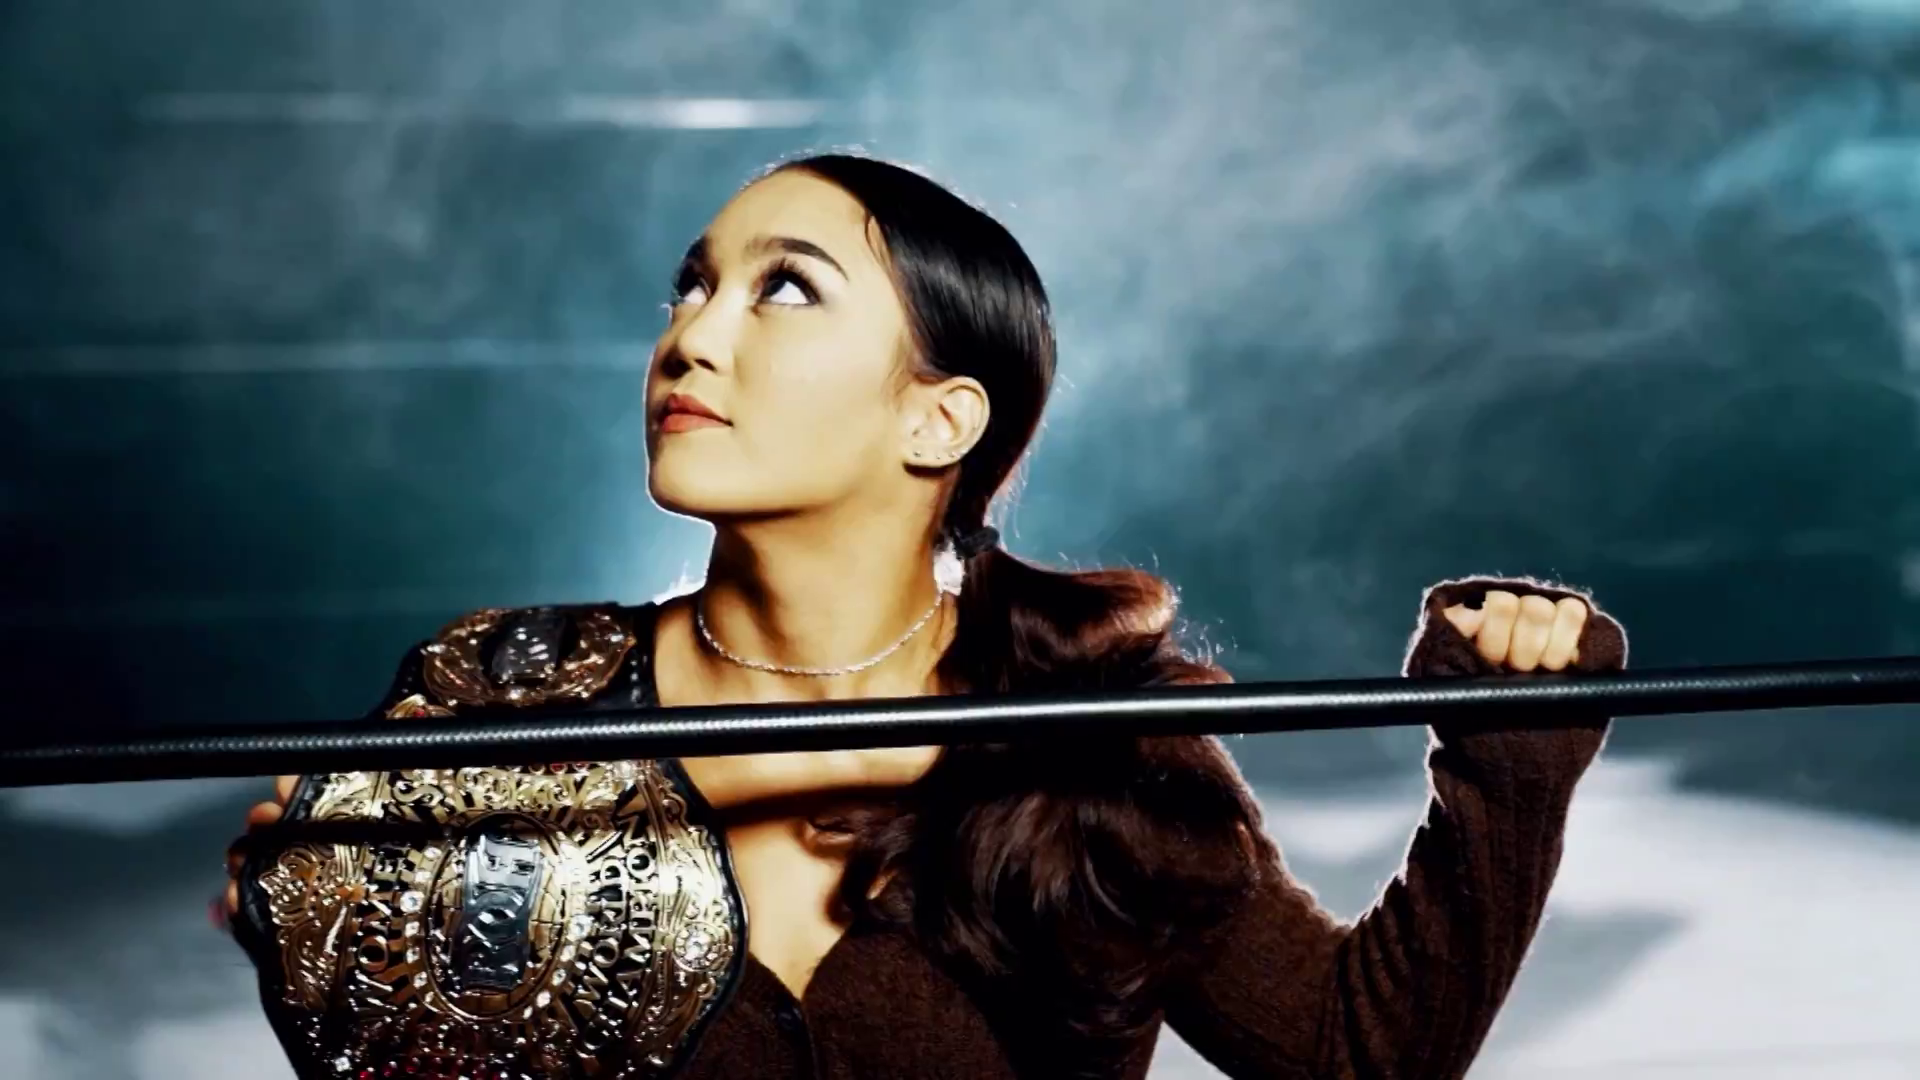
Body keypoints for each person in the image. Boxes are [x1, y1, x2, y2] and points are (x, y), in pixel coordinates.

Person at [223, 153, 1627, 1080]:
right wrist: (336, 956)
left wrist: (1510, 752)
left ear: (938, 420)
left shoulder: (1091, 743)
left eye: (784, 289)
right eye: (693, 287)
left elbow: (1357, 1054)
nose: (691, 337)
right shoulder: (506, 699)